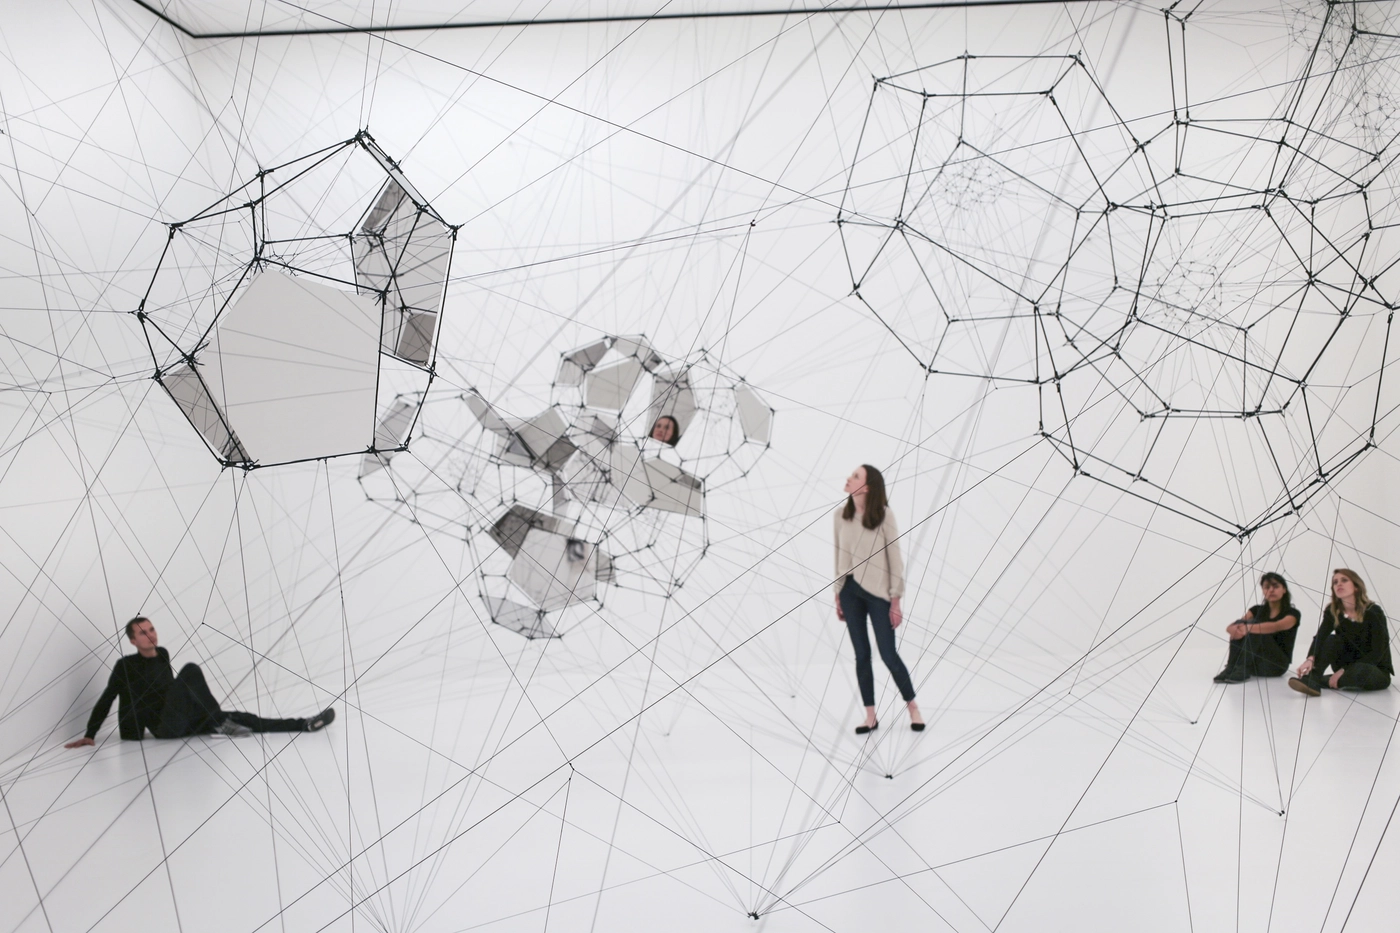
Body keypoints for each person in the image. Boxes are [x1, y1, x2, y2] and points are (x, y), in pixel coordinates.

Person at [64, 617, 335, 747]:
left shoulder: (162, 655)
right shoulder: (125, 665)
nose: (150, 636)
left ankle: (305, 724)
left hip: (180, 719)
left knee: (246, 717)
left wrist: (197, 710)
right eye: (142, 633)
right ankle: (218, 720)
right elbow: (108, 697)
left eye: (152, 629)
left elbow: (171, 693)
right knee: (191, 670)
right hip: (163, 728)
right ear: (133, 641)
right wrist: (90, 733)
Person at [834, 464, 922, 735]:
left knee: (888, 654)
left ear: (868, 487)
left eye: (855, 476)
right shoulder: (840, 515)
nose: (849, 478)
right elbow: (839, 555)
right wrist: (838, 593)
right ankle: (870, 716)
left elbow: (895, 559)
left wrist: (896, 600)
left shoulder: (884, 515)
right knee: (862, 655)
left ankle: (913, 707)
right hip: (849, 591)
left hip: (879, 593)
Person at [1288, 569, 1393, 696]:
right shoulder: (1333, 611)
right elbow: (1320, 638)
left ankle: (1327, 681)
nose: (1339, 584)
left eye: (1344, 580)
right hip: (1345, 666)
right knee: (1333, 639)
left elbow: (1377, 652)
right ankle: (1313, 678)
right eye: (1335, 582)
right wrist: (1310, 659)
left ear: (1356, 587)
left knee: (1361, 672)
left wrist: (1344, 670)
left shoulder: (1373, 611)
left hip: (1373, 668)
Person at [1212, 572, 1300, 683]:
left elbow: (1277, 626)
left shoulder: (1292, 613)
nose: (1271, 590)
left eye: (1276, 586)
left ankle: (1241, 668)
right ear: (1263, 590)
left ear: (1284, 590)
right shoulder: (1257, 609)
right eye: (1267, 587)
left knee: (1254, 626)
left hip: (1276, 666)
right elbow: (1234, 626)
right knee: (1242, 623)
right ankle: (1232, 667)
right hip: (1255, 665)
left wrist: (1248, 628)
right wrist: (1236, 629)